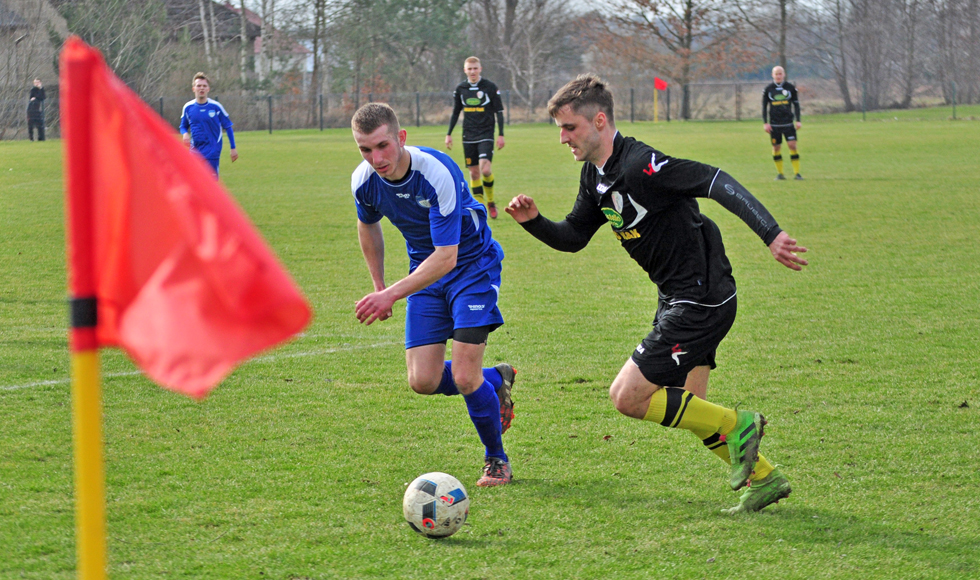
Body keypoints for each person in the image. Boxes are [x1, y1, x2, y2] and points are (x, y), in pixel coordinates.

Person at [506, 74, 808, 513]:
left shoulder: (641, 165)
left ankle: (742, 424)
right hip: (682, 295)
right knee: (693, 407)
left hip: (700, 299)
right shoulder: (595, 176)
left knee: (627, 397)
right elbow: (573, 236)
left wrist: (771, 233)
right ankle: (764, 478)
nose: (562, 138)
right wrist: (534, 221)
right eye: (560, 129)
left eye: (569, 128)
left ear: (600, 120)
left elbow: (714, 179)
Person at [351, 102, 517, 487]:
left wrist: (390, 295)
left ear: (401, 138)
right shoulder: (363, 181)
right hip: (425, 275)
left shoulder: (436, 171)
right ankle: (496, 378)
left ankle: (497, 460)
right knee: (422, 380)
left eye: (382, 146)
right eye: (365, 149)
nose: (376, 158)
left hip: (471, 267)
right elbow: (368, 227)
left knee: (462, 376)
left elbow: (447, 257)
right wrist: (379, 285)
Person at [446, 57, 506, 219]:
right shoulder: (461, 89)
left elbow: (499, 112)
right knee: (474, 174)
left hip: (486, 133)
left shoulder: (490, 87)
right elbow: (455, 112)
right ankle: (480, 209)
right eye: (469, 69)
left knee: (485, 170)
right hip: (468, 134)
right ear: (465, 70)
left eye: (475, 68)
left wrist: (501, 134)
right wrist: (449, 134)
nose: (472, 71)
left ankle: (491, 202)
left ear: (480, 69)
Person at [180, 72, 238, 175]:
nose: (201, 88)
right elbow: (183, 126)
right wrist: (185, 134)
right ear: (194, 88)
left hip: (212, 150)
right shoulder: (188, 107)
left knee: (210, 184)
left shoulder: (216, 107)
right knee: (194, 181)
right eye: (199, 86)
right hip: (195, 151)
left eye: (204, 86)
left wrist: (233, 148)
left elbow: (228, 127)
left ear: (208, 89)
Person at [762, 66, 802, 180]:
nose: (778, 76)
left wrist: (798, 120)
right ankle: (780, 174)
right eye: (776, 74)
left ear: (783, 74)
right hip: (774, 124)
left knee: (792, 145)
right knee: (776, 148)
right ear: (772, 75)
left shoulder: (790, 88)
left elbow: (796, 105)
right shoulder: (768, 89)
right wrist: (765, 123)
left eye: (780, 74)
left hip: (788, 123)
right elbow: (764, 107)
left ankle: (797, 173)